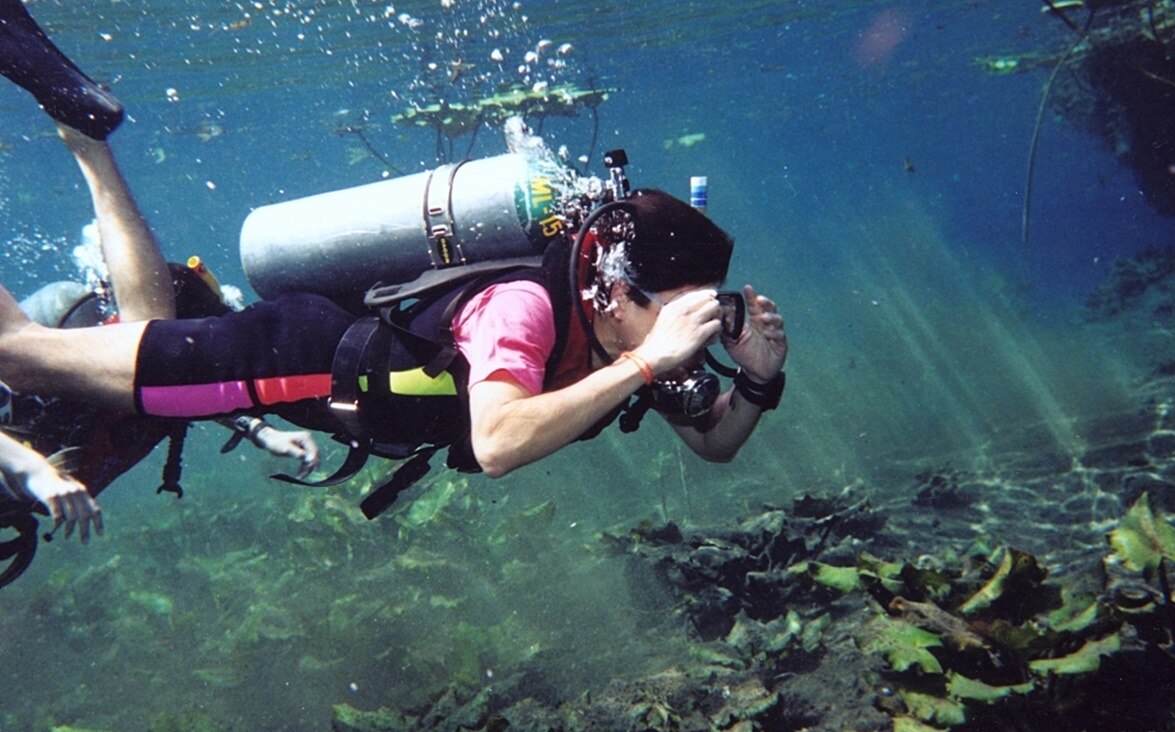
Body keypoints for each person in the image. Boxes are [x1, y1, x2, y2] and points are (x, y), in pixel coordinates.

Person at [0, 5, 786, 495]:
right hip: (277, 357)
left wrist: (755, 381)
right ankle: (75, 123)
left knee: (137, 324)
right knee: (19, 355)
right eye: (685, 313)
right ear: (616, 291)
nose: (695, 334)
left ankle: (86, 138)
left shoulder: (623, 336)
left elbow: (713, 444)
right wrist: (642, 366)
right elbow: (499, 440)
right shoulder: (525, 310)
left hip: (311, 372)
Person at [0, 0, 319, 546]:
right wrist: (258, 427)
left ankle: (85, 139)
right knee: (157, 347)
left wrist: (35, 472)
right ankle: (84, 132)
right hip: (80, 373)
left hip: (38, 351)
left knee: (22, 349)